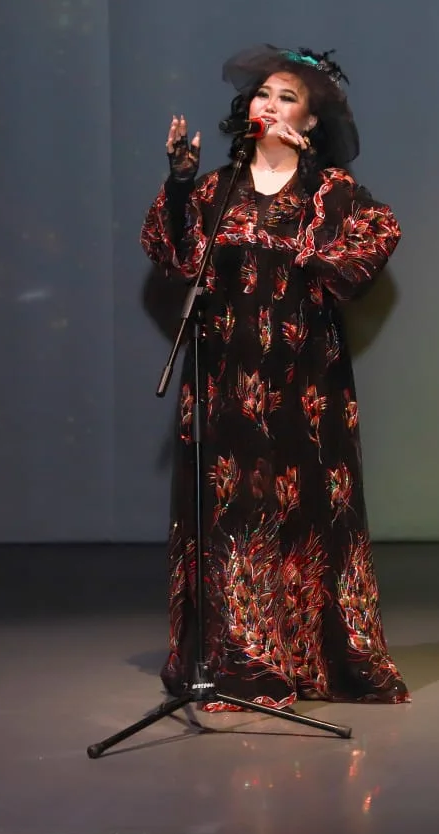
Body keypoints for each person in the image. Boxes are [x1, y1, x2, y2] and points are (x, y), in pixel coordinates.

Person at [139, 44, 410, 712]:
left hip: (303, 378)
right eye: (264, 93)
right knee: (233, 510)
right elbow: (173, 255)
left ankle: (310, 656)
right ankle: (239, 659)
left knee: (303, 507)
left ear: (310, 121)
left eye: (288, 97)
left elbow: (367, 248)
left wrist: (314, 184)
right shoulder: (217, 188)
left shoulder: (331, 190)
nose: (270, 104)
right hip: (226, 375)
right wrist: (180, 183)